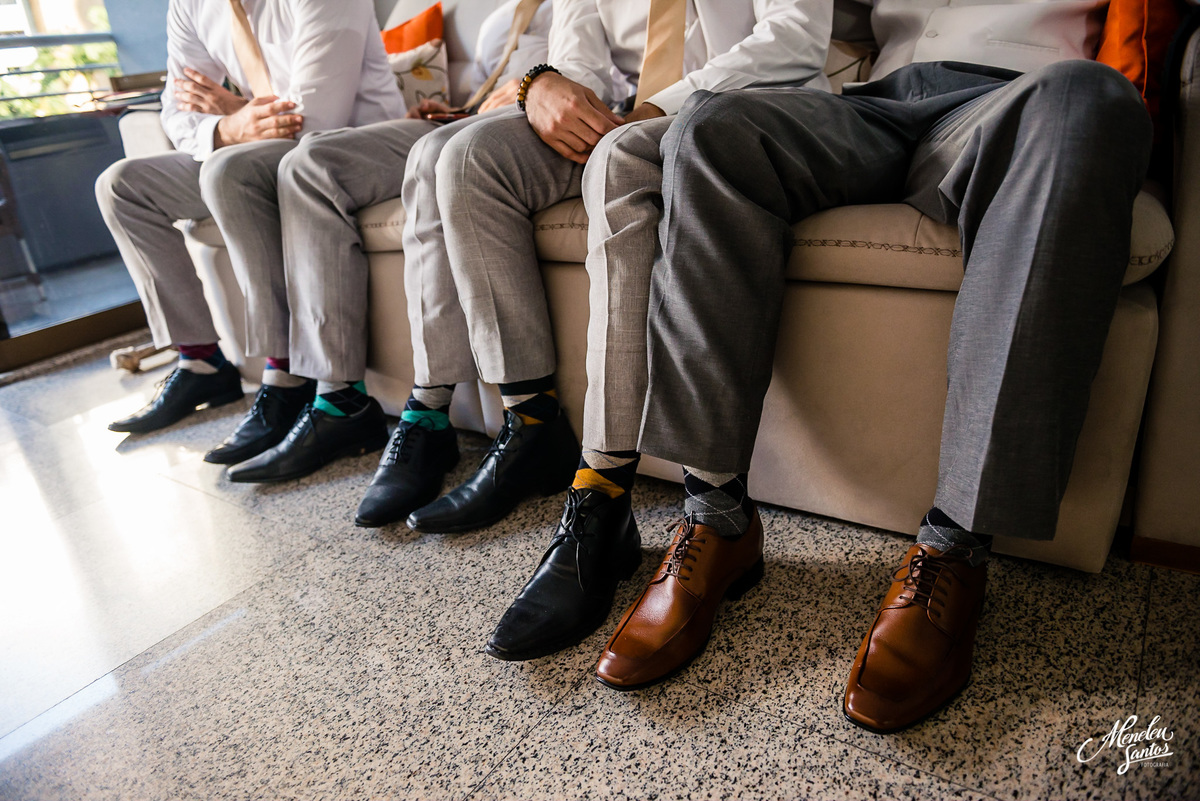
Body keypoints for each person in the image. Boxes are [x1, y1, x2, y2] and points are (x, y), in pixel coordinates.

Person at [602, 0, 1153, 733]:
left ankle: (954, 548)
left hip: (1017, 101)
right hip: (876, 105)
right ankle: (716, 517)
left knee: (1090, 95)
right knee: (711, 126)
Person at [397, 0, 832, 665]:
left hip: (739, 104)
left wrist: (662, 105)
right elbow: (578, 55)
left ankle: (600, 495)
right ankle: (532, 420)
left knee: (620, 158)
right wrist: (544, 85)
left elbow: (797, 37)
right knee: (463, 159)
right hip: (621, 119)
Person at [216, 0, 555, 483]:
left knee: (438, 157)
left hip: (534, 119)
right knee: (306, 163)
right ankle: (337, 399)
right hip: (459, 116)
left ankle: (426, 409)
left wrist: (528, 91)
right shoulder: (508, 15)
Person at [98, 0, 403, 441]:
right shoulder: (191, 5)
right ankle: (201, 361)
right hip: (249, 145)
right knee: (122, 184)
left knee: (231, 172)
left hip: (349, 150)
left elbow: (314, 120)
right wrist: (229, 127)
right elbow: (177, 112)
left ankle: (285, 374)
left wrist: (232, 112)